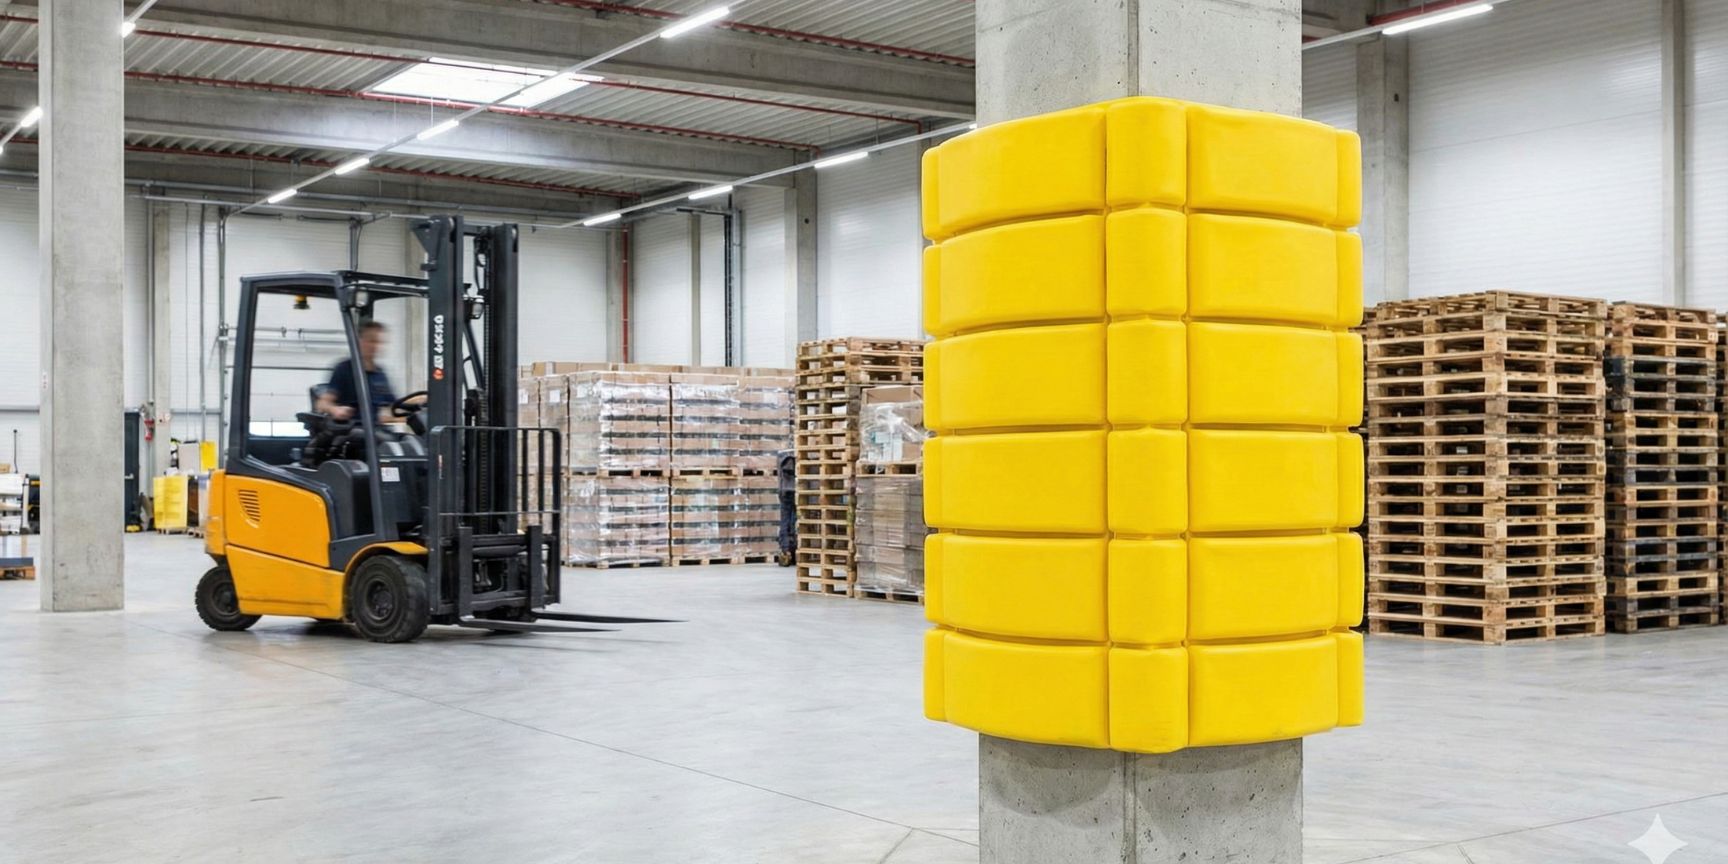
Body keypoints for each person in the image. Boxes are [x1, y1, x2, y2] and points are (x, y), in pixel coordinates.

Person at [314, 320, 422, 426]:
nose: (375, 346)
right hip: (352, 430)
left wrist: (423, 401)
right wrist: (335, 410)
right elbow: (322, 403)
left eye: (379, 342)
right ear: (359, 341)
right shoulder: (344, 369)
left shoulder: (379, 373)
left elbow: (394, 404)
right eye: (371, 341)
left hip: (374, 431)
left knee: (407, 440)